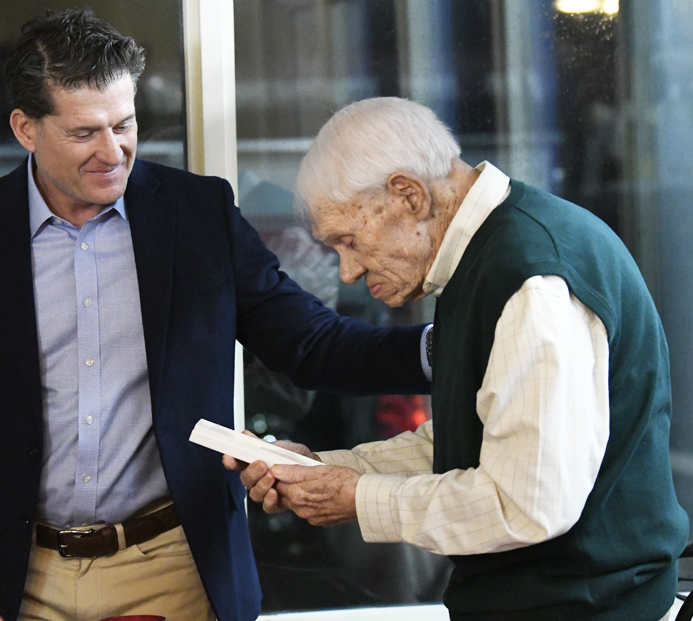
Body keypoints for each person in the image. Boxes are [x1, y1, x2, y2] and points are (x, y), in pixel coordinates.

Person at [0, 11, 432, 621]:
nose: (112, 151)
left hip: (174, 568)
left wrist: (448, 347)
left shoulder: (197, 215)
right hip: (16, 580)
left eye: (124, 125)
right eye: (84, 133)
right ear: (26, 129)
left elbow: (313, 344)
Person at [229, 97, 690, 620]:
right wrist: (323, 472)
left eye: (349, 241)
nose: (347, 271)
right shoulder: (491, 257)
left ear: (408, 195)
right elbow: (474, 440)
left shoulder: (529, 280)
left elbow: (527, 505)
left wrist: (358, 497)